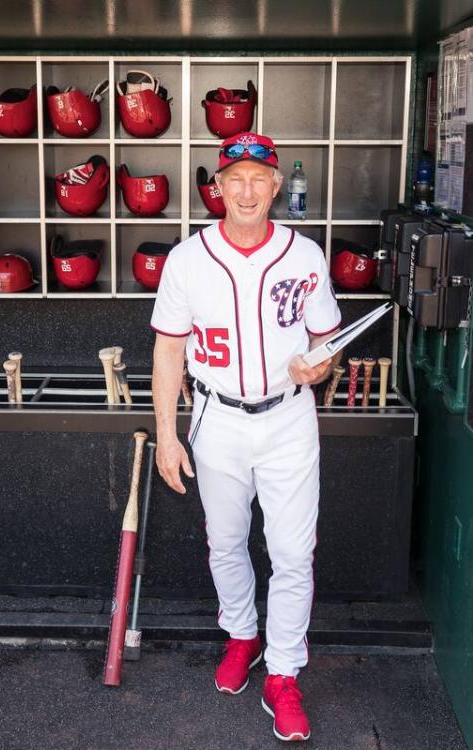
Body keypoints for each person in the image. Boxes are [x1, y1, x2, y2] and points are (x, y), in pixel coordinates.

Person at [151, 132, 342, 743]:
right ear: (219, 188)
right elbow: (168, 351)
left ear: (277, 184)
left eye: (260, 177)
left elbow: (323, 343)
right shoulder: (187, 259)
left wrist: (322, 365)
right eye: (236, 178)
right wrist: (167, 435)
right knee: (227, 542)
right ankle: (242, 633)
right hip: (217, 419)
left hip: (288, 418)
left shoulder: (305, 256)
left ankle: (283, 674)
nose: (248, 190)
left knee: (291, 554)